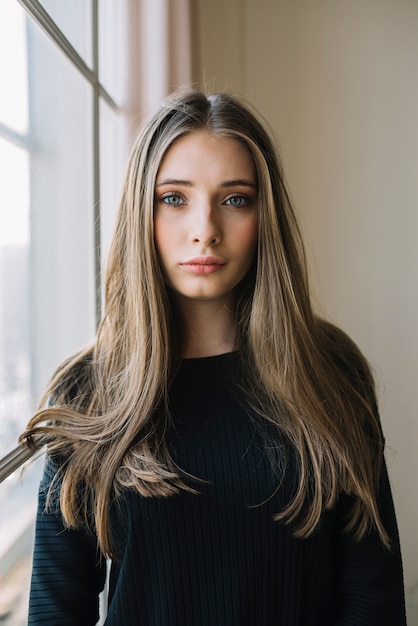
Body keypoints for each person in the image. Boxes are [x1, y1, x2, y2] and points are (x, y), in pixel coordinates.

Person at [21, 87, 406, 625]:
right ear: (142, 212)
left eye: (234, 199)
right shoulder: (88, 390)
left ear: (263, 216)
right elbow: (57, 611)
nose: (205, 230)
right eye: (174, 198)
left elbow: (373, 596)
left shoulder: (330, 368)